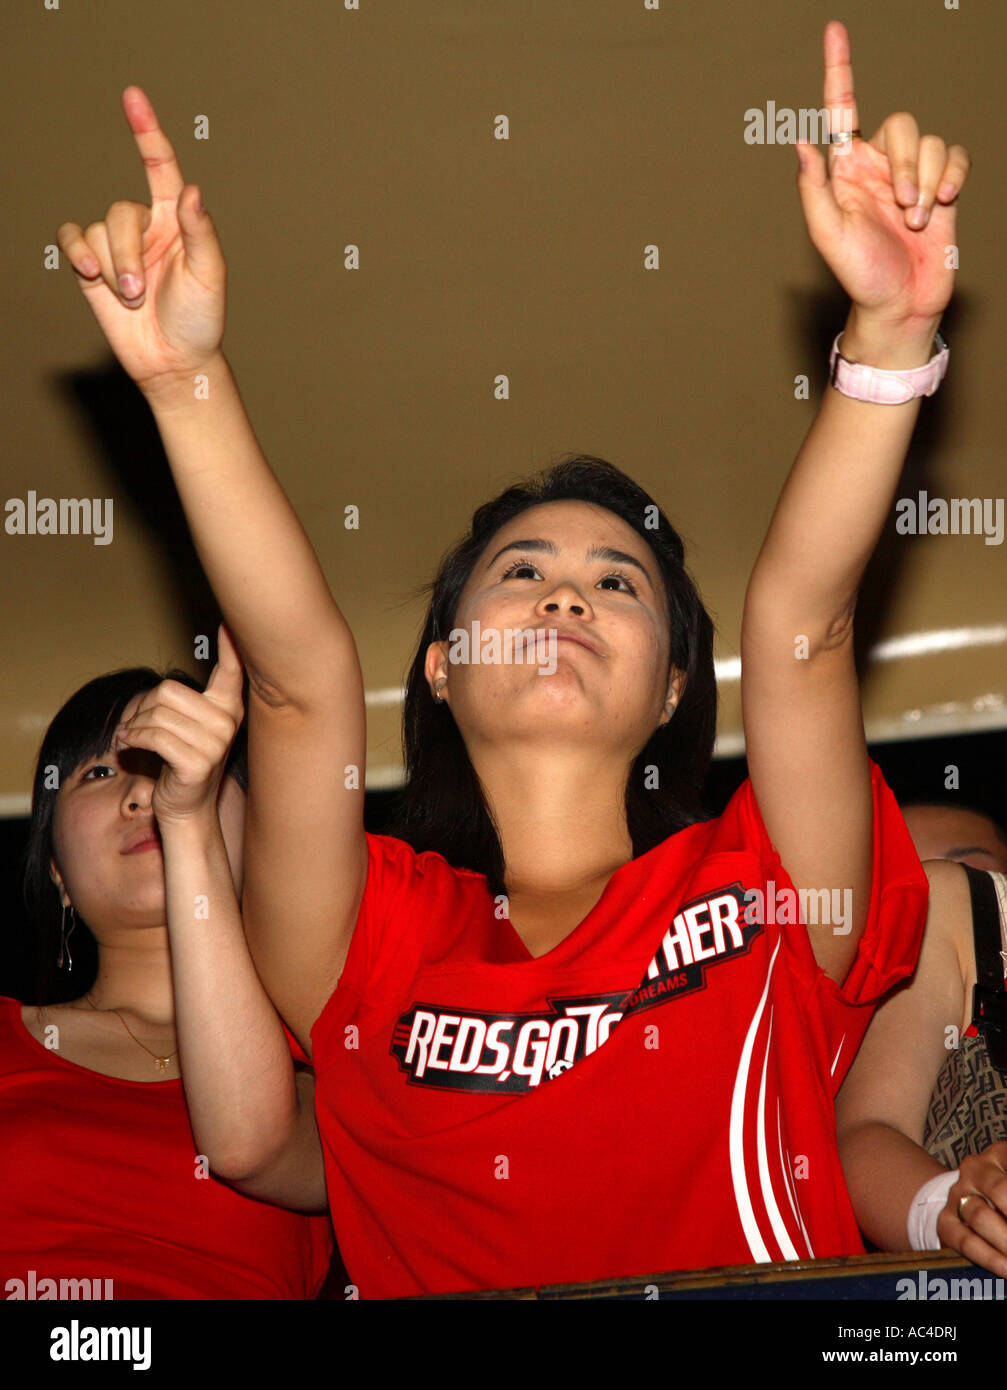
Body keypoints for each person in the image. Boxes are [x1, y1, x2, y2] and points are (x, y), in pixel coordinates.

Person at [55, 21, 968, 1296]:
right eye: (522, 571)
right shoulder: (372, 936)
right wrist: (184, 381)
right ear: (438, 665)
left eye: (616, 581)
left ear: (668, 691)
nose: (564, 598)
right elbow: (298, 676)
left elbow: (801, 628)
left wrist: (882, 336)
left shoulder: (770, 882)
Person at [1, 649, 333, 1300]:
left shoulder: (330, 1058)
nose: (146, 791)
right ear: (58, 873)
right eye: (98, 770)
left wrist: (187, 827)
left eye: (183, 768)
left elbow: (262, 1150)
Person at [837, 814, 1007, 1276]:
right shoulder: (952, 906)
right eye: (885, 886)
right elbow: (868, 1131)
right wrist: (950, 1209)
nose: (904, 901)